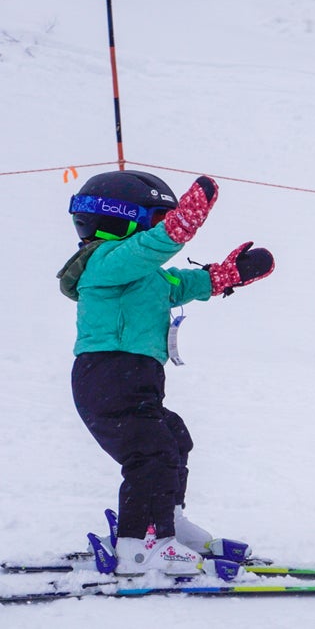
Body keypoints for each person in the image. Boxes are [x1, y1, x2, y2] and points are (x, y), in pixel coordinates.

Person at [59, 170, 274, 575]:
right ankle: (138, 546)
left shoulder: (142, 273)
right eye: (157, 220)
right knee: (150, 454)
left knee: (173, 440)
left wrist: (227, 275)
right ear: (121, 218)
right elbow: (151, 249)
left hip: (133, 377)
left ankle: (166, 521)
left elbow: (182, 282)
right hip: (108, 374)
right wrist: (183, 225)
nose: (161, 230)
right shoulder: (105, 260)